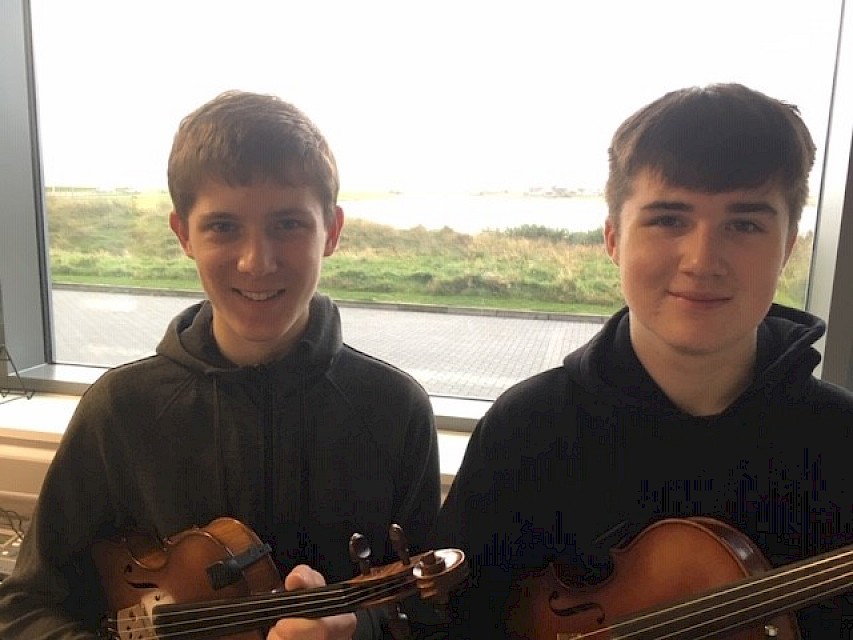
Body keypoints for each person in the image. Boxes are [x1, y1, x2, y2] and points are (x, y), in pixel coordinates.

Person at [0, 90, 441, 639]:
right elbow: (24, 607)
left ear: (331, 231)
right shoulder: (119, 410)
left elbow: (433, 614)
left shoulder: (395, 411)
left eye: (287, 224)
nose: (257, 261)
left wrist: (358, 631)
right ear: (183, 234)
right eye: (223, 227)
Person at [430, 83, 853, 638]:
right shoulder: (525, 430)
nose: (703, 260)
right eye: (669, 220)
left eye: (744, 224)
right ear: (613, 238)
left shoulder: (841, 440)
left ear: (790, 244)